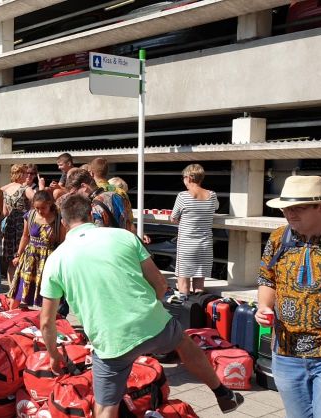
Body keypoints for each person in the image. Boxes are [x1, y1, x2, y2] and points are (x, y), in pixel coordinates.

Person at [39, 194, 244, 417]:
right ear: (91, 214)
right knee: (183, 342)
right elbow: (160, 283)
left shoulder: (55, 260)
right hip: (151, 322)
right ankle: (223, 394)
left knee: (106, 405)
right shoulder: (123, 236)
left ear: (64, 221)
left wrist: (53, 355)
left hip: (110, 340)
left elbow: (47, 322)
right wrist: (147, 311)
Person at [257, 175, 321, 418]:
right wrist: (263, 306)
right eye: (286, 208)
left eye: (298, 208)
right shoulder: (278, 238)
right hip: (285, 353)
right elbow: (267, 278)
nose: (290, 214)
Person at [8, 190, 65, 309]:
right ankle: (11, 317)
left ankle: (48, 321)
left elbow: (62, 243)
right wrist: (18, 255)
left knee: (47, 291)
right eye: (37, 208)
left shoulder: (59, 218)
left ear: (50, 204)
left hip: (48, 259)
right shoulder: (30, 215)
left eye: (43, 208)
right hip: (30, 257)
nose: (40, 211)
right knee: (19, 289)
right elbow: (25, 236)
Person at [171, 164, 219, 297]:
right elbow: (216, 207)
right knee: (199, 285)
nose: (183, 181)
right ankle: (198, 311)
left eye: (183, 178)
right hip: (205, 245)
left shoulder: (183, 196)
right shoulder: (212, 195)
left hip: (187, 245)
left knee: (183, 283)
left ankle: (184, 313)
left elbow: (173, 218)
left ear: (188, 178)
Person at [1, 164, 36, 293]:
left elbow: (4, 212)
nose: (28, 176)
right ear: (21, 174)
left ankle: (12, 289)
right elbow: (39, 201)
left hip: (10, 224)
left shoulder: (5, 189)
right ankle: (22, 291)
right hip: (23, 224)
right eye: (26, 173)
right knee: (24, 258)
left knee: (11, 261)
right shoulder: (25, 189)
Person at [66, 168, 133, 232]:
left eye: (74, 193)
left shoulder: (94, 207)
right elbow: (130, 224)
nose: (74, 197)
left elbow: (98, 236)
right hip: (125, 241)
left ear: (84, 187)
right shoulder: (116, 196)